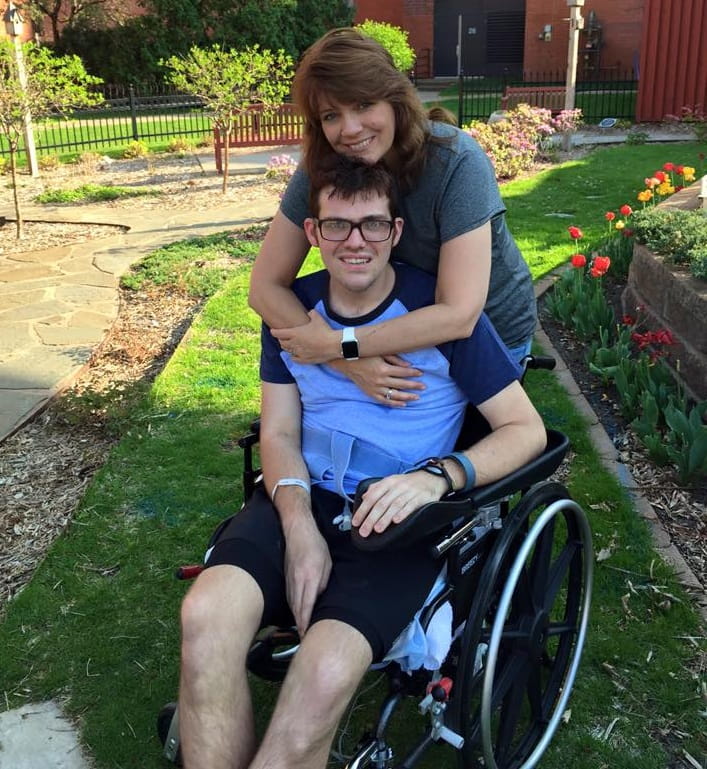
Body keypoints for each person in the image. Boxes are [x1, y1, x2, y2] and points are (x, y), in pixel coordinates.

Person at [178, 158, 546, 769]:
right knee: (205, 617)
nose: (355, 242)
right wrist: (297, 528)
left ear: (396, 233)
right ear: (313, 233)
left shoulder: (439, 315)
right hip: (298, 495)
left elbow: (525, 429)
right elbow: (278, 431)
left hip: (396, 520)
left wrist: (437, 477)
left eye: (372, 225)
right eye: (338, 226)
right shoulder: (293, 312)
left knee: (321, 676)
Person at [248, 27, 537, 411]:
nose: (349, 129)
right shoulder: (321, 170)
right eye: (332, 115)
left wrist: (338, 344)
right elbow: (264, 288)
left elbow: (459, 315)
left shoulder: (455, 162)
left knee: (431, 447)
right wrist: (346, 360)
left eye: (364, 104)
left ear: (395, 100)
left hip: (486, 339)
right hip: (384, 327)